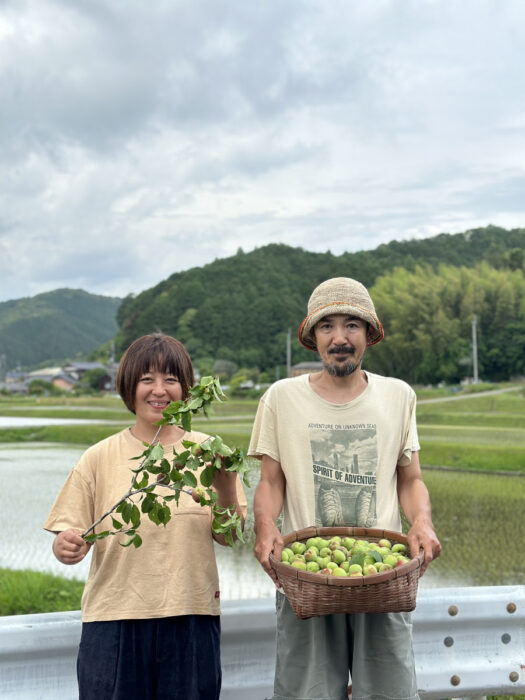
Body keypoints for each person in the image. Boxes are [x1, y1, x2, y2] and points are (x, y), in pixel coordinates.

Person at [249, 277, 442, 700]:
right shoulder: (281, 398)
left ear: (369, 335)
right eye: (327, 326)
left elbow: (411, 479)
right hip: (306, 578)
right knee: (307, 693)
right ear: (313, 337)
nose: (340, 338)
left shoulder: (398, 396)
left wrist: (422, 522)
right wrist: (265, 526)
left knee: (389, 692)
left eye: (352, 325)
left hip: (384, 575)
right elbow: (270, 482)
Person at [44, 333, 246, 700]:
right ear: (128, 387)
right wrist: (65, 546)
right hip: (113, 621)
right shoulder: (98, 457)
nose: (159, 390)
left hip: (191, 617)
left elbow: (230, 537)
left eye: (171, 379)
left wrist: (225, 483)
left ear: (187, 390)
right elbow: (67, 537)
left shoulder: (209, 453)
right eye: (147, 379)